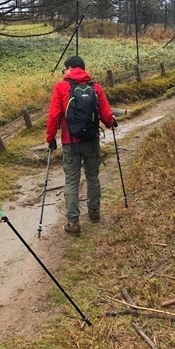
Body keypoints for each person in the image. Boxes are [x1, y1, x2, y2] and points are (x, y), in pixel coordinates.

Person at [46, 55, 116, 236]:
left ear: (69, 68)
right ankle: (94, 213)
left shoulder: (62, 87)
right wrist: (111, 123)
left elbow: (54, 116)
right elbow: (106, 115)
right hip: (91, 141)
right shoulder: (95, 87)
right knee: (93, 177)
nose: (64, 73)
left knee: (71, 181)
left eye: (64, 69)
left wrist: (50, 138)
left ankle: (73, 222)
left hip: (71, 143)